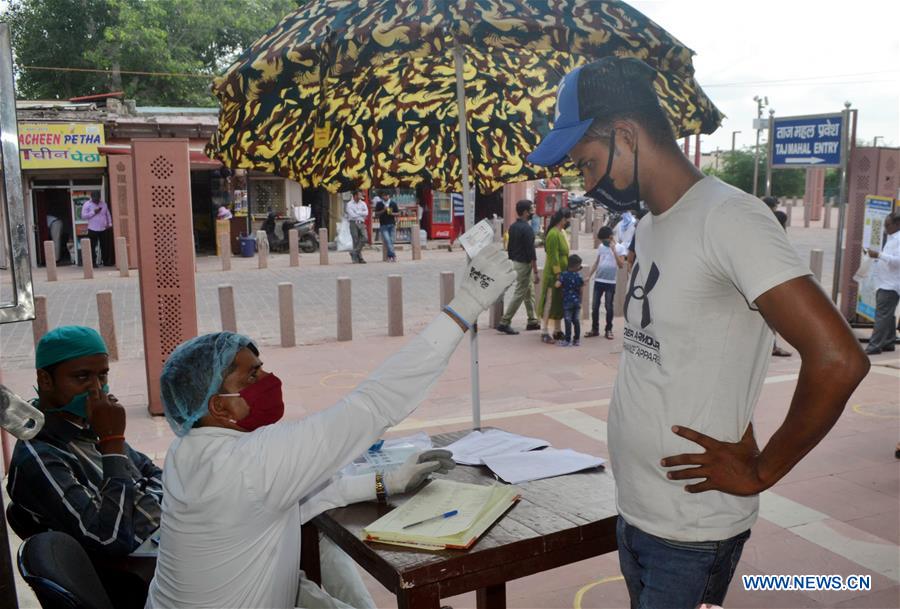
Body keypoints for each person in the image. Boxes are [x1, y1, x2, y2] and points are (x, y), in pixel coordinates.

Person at [528, 56, 869, 609]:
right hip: (638, 512)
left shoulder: (730, 219)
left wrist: (764, 468)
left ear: (627, 136)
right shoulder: (653, 223)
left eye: (588, 164)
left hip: (692, 532)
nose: (587, 184)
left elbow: (839, 359)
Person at [145, 245, 515, 609]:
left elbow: (298, 498)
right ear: (218, 407)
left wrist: (386, 482)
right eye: (252, 375)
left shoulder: (189, 450)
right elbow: (374, 402)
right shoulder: (250, 462)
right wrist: (467, 303)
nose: (269, 378)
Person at [6, 326, 162, 607]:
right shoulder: (40, 456)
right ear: (46, 380)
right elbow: (109, 538)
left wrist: (126, 502)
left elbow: (158, 476)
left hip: (160, 553)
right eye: (82, 377)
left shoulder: (87, 425)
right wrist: (112, 443)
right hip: (133, 586)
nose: (97, 388)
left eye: (102, 375)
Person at [497, 199, 541, 334]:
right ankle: (505, 321)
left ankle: (532, 320)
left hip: (513, 262)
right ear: (526, 212)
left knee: (529, 291)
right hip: (523, 264)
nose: (533, 211)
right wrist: (536, 271)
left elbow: (509, 247)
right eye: (531, 209)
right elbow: (531, 252)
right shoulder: (527, 229)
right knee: (520, 293)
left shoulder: (513, 226)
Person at [864, 211, 900, 354]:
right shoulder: (892, 238)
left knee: (882, 316)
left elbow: (897, 261)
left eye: (888, 225)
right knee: (888, 314)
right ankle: (888, 341)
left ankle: (874, 346)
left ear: (898, 224)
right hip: (885, 282)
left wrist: (878, 255)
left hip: (890, 284)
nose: (885, 228)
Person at [763, 196, 792, 357]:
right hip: (771, 280)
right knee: (771, 316)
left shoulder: (760, 223)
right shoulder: (775, 229)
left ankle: (770, 345)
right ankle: (772, 346)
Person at [537, 208, 572, 344]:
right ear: (563, 219)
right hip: (553, 275)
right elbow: (553, 258)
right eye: (568, 218)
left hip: (561, 274)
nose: (569, 221)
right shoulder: (552, 234)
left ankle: (557, 330)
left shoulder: (560, 233)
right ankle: (544, 331)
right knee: (549, 302)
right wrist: (558, 274)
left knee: (558, 302)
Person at [585, 226, 626, 339]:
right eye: (602, 241)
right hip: (599, 280)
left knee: (609, 306)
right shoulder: (601, 247)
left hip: (610, 282)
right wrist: (589, 275)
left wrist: (614, 250)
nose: (603, 243)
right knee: (595, 306)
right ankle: (595, 329)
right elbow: (597, 262)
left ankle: (608, 329)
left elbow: (621, 265)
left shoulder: (620, 248)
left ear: (610, 237)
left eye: (604, 240)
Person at [555, 254, 584, 346]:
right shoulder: (579, 276)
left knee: (567, 320)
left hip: (567, 302)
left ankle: (567, 340)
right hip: (576, 302)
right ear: (577, 266)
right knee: (576, 320)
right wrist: (580, 301)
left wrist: (557, 278)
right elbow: (581, 290)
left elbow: (557, 285)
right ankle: (577, 340)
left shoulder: (563, 275)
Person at [81, 191, 113, 267]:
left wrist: (110, 223)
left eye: (98, 198)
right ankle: (93, 263)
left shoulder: (103, 204)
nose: (97, 200)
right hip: (92, 229)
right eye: (95, 198)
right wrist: (93, 212)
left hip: (103, 228)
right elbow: (83, 216)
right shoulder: (87, 204)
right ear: (91, 197)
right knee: (92, 247)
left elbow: (107, 214)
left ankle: (106, 261)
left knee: (105, 246)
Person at [374, 190, 399, 262]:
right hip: (383, 224)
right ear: (382, 196)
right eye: (384, 195)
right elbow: (376, 214)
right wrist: (383, 210)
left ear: (389, 196)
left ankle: (390, 256)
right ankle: (393, 255)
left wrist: (392, 214)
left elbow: (397, 213)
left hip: (392, 224)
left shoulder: (393, 203)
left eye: (387, 195)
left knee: (391, 240)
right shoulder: (379, 204)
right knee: (387, 240)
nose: (385, 197)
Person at [345, 190, 368, 263]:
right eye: (359, 195)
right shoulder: (349, 204)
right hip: (353, 223)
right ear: (355, 196)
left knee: (365, 238)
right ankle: (359, 258)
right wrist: (361, 214)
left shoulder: (363, 203)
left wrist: (357, 213)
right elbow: (352, 215)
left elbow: (366, 213)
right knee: (355, 240)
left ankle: (353, 252)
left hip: (361, 223)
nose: (361, 196)